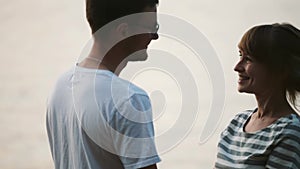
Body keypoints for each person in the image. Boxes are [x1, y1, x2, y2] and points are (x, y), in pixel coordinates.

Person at [46, 0, 161, 169]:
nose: (155, 36)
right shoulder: (129, 99)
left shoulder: (60, 87)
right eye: (151, 27)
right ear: (124, 31)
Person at [215, 23, 300, 168]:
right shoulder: (236, 123)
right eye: (240, 55)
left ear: (279, 69)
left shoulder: (290, 132)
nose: (237, 67)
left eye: (248, 59)